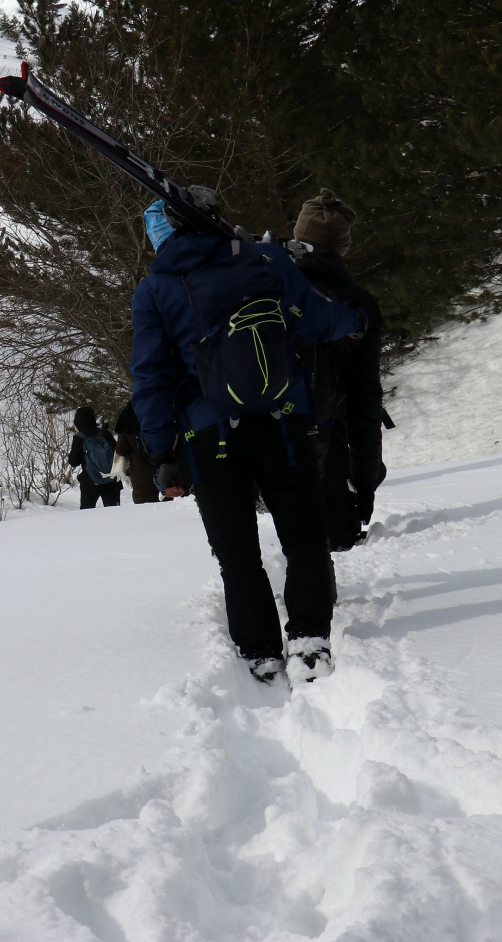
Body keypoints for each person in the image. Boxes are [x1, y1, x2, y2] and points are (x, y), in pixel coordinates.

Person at [131, 192, 364, 684]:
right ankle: (310, 639)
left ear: (162, 236)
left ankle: (260, 652)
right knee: (303, 535)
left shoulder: (156, 290)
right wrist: (355, 322)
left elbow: (151, 376)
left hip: (208, 434)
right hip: (283, 421)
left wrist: (159, 450)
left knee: (237, 551)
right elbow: (316, 318)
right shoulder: (265, 259)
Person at [289, 189, 386, 552]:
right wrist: (364, 481)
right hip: (326, 437)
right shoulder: (356, 304)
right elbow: (363, 401)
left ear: (298, 236)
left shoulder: (261, 285)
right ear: (342, 247)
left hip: (253, 435)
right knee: (330, 540)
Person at [68, 407, 122, 508]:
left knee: (87, 516)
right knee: (115, 515)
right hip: (111, 481)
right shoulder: (105, 433)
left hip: (90, 482)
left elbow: (73, 461)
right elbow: (117, 454)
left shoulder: (79, 437)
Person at [114, 401, 159, 503]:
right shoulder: (153, 421)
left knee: (143, 501)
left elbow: (120, 450)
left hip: (139, 469)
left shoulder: (126, 426)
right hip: (159, 464)